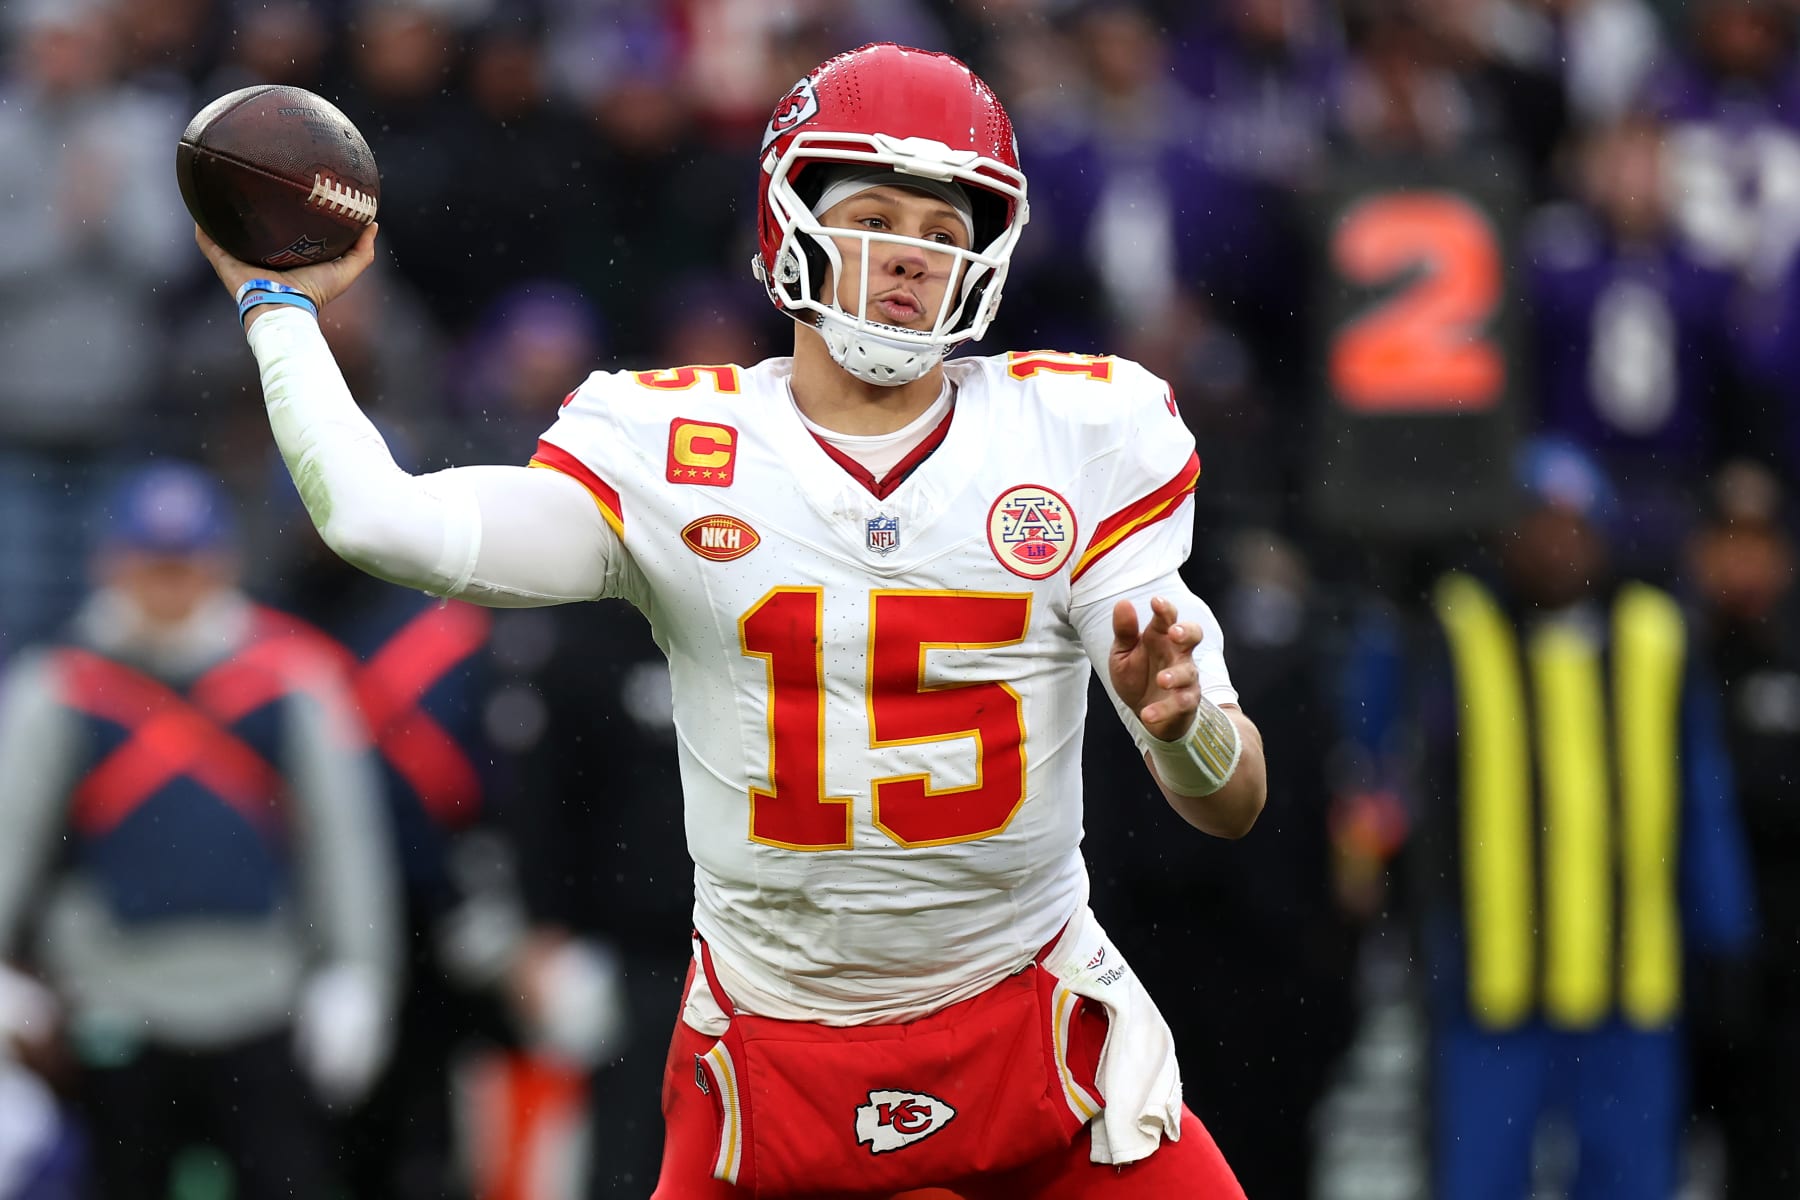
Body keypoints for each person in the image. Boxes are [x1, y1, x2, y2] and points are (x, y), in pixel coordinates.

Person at [194, 42, 1267, 1198]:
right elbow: (381, 522)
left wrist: (1180, 729)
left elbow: (1231, 799)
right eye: (876, 215)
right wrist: (280, 309)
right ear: (789, 221)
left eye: (945, 232)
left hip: (1037, 1035)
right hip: (773, 1063)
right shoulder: (673, 449)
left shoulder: (1075, 437)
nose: (911, 256)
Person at [0, 461, 402, 1200]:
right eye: (152, 565)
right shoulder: (59, 683)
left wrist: (359, 976)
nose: (169, 585)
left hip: (262, 993)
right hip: (110, 995)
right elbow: (9, 836)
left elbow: (346, 842)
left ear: (223, 563)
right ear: (111, 563)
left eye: (185, 564)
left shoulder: (289, 677)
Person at [1401, 440, 1755, 1200]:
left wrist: (1725, 934)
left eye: (1572, 525)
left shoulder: (1655, 635)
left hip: (1630, 984)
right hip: (1493, 984)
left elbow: (1703, 799)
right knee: (1476, 1182)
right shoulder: (1457, 628)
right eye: (1537, 524)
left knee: (1632, 1181)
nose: (1556, 545)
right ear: (1505, 534)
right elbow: (1404, 782)